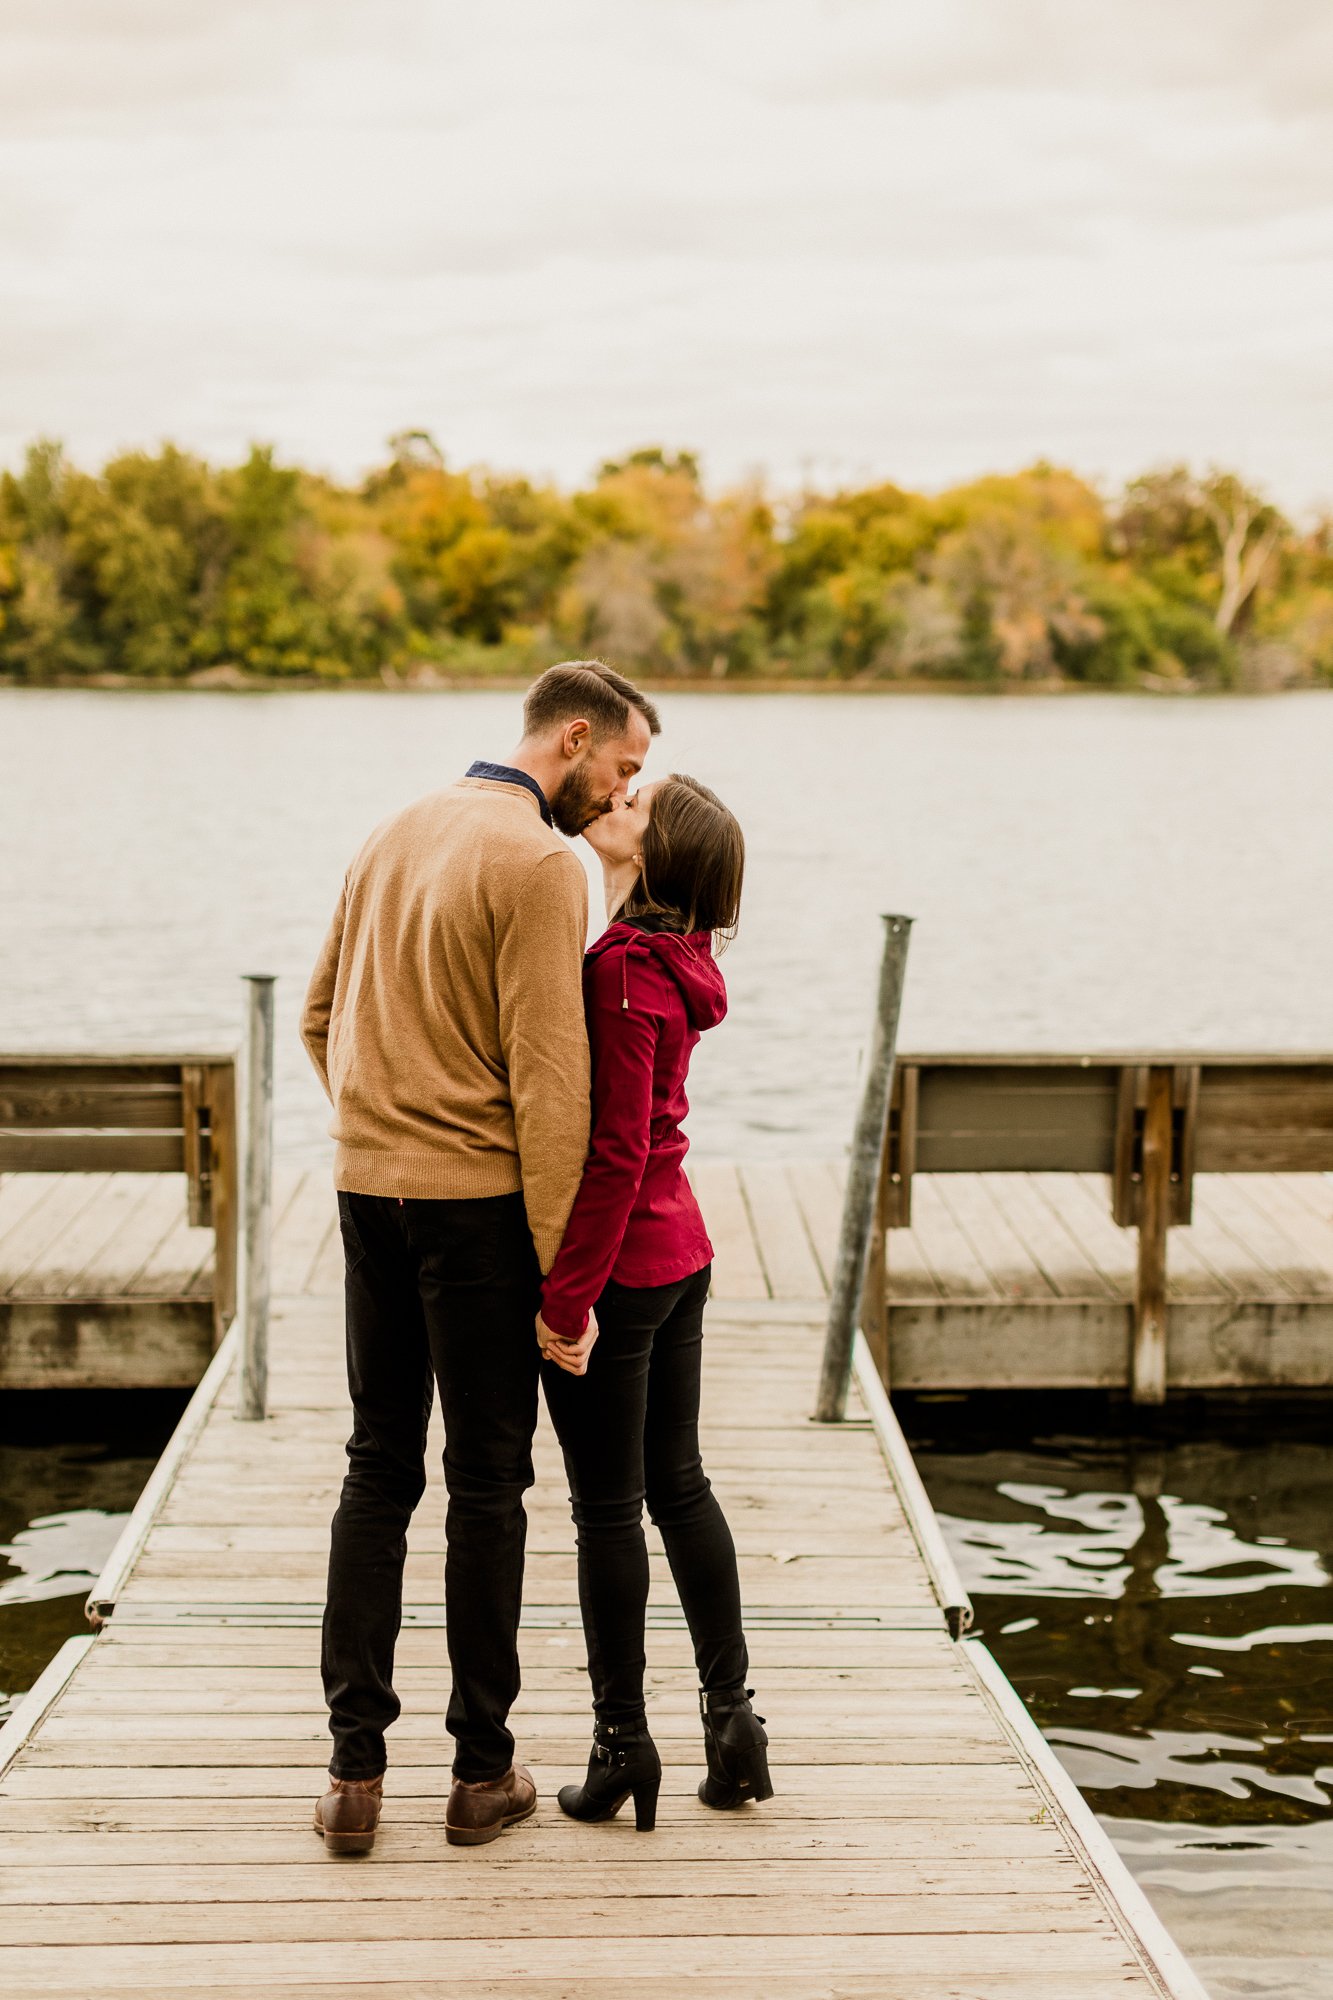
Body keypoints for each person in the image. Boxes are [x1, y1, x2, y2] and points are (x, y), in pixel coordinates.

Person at [300, 660, 660, 1855]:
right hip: (478, 1215)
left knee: (374, 1467)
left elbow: (317, 1016)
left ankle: (352, 1776)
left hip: (366, 1188)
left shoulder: (391, 829)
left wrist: (383, 1122)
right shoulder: (536, 861)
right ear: (571, 737)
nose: (620, 790)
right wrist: (570, 1290)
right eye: (620, 765)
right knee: (485, 1482)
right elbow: (553, 1092)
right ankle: (478, 1771)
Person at [536, 773, 773, 1832]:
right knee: (679, 1485)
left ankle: (621, 1742)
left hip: (629, 1271)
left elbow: (617, 1147)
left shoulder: (627, 971)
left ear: (658, 855)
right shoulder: (681, 960)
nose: (619, 799)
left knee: (606, 1508)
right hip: (684, 1252)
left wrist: (565, 1300)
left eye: (641, 803)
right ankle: (735, 1727)